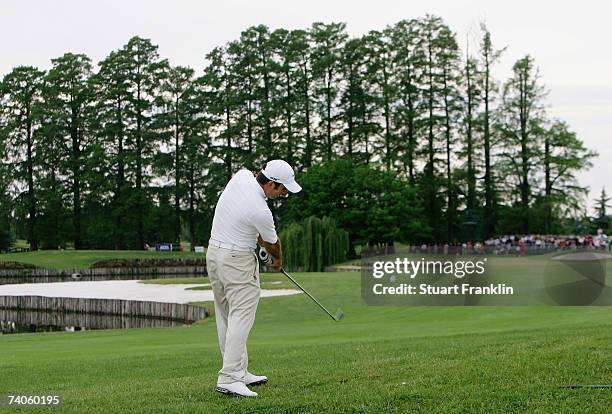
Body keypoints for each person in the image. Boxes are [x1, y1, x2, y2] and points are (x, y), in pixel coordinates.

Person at [206, 159, 301, 397]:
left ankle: (239, 371)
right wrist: (277, 262)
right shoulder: (261, 210)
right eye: (283, 190)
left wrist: (261, 245)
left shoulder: (241, 177)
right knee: (241, 316)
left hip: (214, 254)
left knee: (226, 314)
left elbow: (251, 228)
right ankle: (229, 377)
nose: (283, 194)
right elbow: (273, 244)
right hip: (237, 260)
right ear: (271, 184)